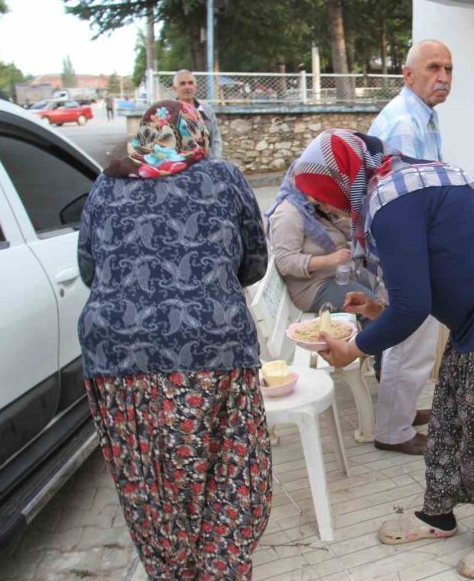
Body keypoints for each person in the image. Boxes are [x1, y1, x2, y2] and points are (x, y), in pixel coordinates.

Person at [292, 129, 474, 578]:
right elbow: (424, 281)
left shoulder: (390, 200)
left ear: (339, 183)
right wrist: (377, 309)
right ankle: (438, 514)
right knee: (453, 409)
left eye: (324, 200)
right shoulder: (403, 178)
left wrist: (354, 350)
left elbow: (414, 306)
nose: (329, 210)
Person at [77, 100, 271, 579]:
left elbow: (89, 268)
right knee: (227, 470)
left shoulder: (108, 183)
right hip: (214, 348)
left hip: (119, 356)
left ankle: (172, 569)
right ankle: (221, 568)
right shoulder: (224, 177)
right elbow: (254, 263)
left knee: (150, 483)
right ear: (198, 135)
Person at [363, 39, 454, 455]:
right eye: (434, 68)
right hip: (408, 244)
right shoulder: (404, 122)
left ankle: (399, 414)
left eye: (449, 69)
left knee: (414, 341)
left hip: (415, 239)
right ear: (408, 74)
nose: (443, 77)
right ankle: (393, 431)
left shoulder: (424, 115)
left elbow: (426, 180)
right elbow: (411, 198)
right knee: (411, 340)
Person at [266, 164, 377, 316]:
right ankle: (364, 339)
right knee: (369, 305)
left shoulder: (315, 206)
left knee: (385, 286)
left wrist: (340, 212)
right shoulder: (288, 214)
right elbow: (285, 262)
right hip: (314, 288)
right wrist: (329, 260)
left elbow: (350, 230)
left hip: (340, 274)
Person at [174, 69, 223, 159]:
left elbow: (216, 139)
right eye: (182, 83)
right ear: (175, 88)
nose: (187, 87)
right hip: (179, 165)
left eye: (190, 83)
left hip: (207, 163)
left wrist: (216, 160)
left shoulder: (206, 109)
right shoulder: (169, 111)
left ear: (195, 87)